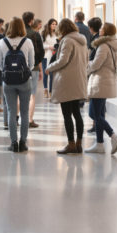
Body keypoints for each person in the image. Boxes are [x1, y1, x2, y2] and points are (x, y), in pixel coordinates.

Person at [45, 19, 88, 154]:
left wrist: (49, 67)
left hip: (67, 81)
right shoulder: (82, 39)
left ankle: (71, 144)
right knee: (77, 112)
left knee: (67, 114)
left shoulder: (68, 40)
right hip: (78, 79)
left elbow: (63, 60)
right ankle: (79, 144)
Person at [0, 17, 34, 153]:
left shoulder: (2, 42)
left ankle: (13, 143)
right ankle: (23, 142)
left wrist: (7, 72)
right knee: (24, 112)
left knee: (12, 111)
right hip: (24, 81)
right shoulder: (28, 42)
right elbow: (32, 63)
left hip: (8, 82)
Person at [85, 22, 117, 154]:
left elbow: (96, 64)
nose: (100, 29)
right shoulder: (113, 46)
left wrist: (86, 66)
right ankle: (99, 144)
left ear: (105, 31)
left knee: (94, 114)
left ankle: (113, 136)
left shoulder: (103, 46)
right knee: (99, 114)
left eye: (102, 28)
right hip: (106, 83)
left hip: (99, 83)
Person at [22, 12, 44, 128]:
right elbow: (40, 53)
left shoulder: (17, 34)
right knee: (32, 95)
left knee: (18, 94)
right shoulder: (35, 34)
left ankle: (16, 118)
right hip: (33, 67)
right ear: (31, 20)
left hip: (19, 68)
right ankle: (29, 120)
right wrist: (39, 68)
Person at [41, 19, 58, 99]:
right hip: (46, 56)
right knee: (45, 73)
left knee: (52, 74)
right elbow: (42, 45)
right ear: (49, 25)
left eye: (55, 24)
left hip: (54, 56)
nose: (54, 25)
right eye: (52, 24)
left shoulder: (57, 34)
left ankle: (51, 91)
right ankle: (45, 90)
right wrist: (49, 47)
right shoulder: (44, 34)